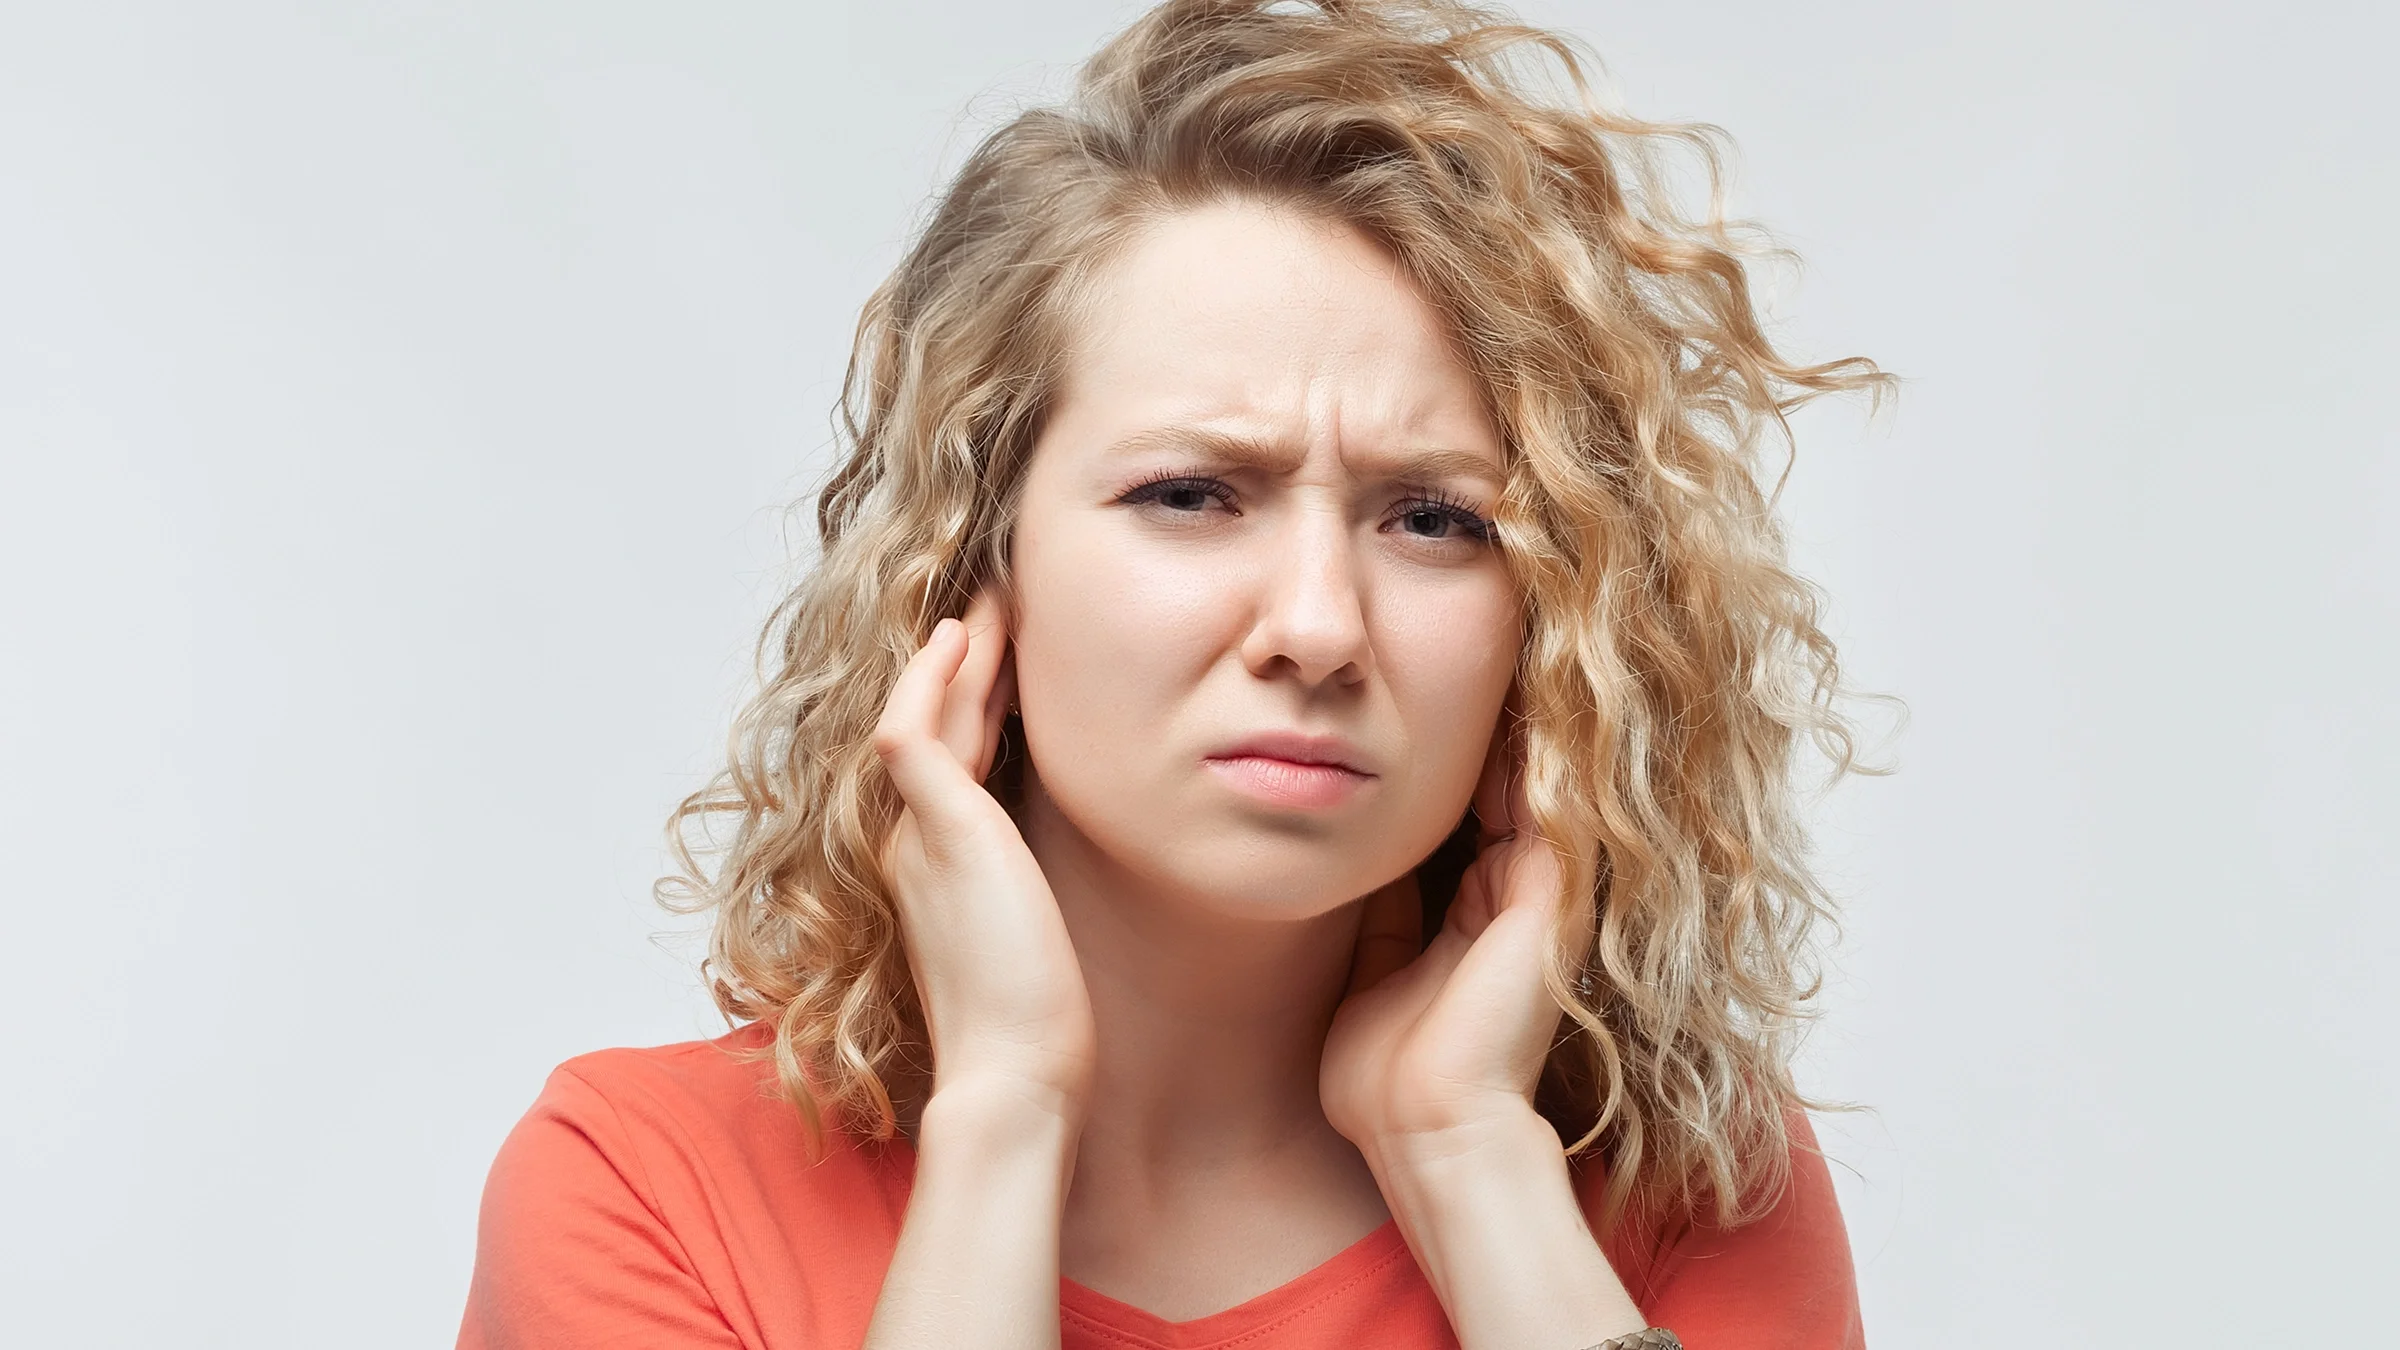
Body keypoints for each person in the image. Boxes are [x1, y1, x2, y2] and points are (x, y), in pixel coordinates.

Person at [456, 2, 1889, 1346]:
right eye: (1193, 493)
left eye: (1435, 520)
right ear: (976, 561)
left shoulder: (1692, 1188)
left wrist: (1470, 1158)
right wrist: (1003, 1115)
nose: (1319, 626)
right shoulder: (648, 1189)